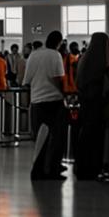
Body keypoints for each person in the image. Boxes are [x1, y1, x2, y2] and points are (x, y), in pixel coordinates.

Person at [22, 30, 68, 181]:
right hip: (53, 101)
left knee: (40, 140)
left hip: (36, 102)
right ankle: (52, 170)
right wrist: (65, 94)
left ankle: (39, 170)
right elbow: (58, 79)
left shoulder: (34, 55)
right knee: (56, 139)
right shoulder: (55, 55)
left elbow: (27, 80)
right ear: (59, 42)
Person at [73, 32, 109, 180]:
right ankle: (93, 168)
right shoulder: (105, 64)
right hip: (99, 106)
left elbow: (78, 82)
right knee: (97, 139)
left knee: (85, 136)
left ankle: (82, 168)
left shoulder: (83, 60)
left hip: (85, 104)